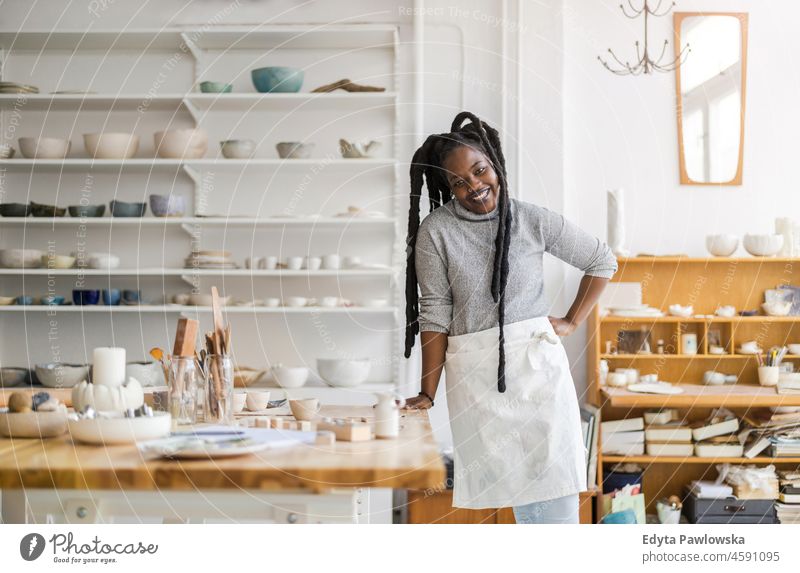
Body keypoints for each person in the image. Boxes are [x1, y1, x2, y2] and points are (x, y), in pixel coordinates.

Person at [402, 111, 617, 524]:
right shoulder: (436, 231)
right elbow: (435, 312)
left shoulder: (531, 219)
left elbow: (600, 260)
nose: (474, 187)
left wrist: (572, 320)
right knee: (505, 503)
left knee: (552, 505)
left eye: (480, 171)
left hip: (538, 376)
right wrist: (428, 392)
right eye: (459, 182)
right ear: (447, 188)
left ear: (495, 165)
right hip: (476, 379)